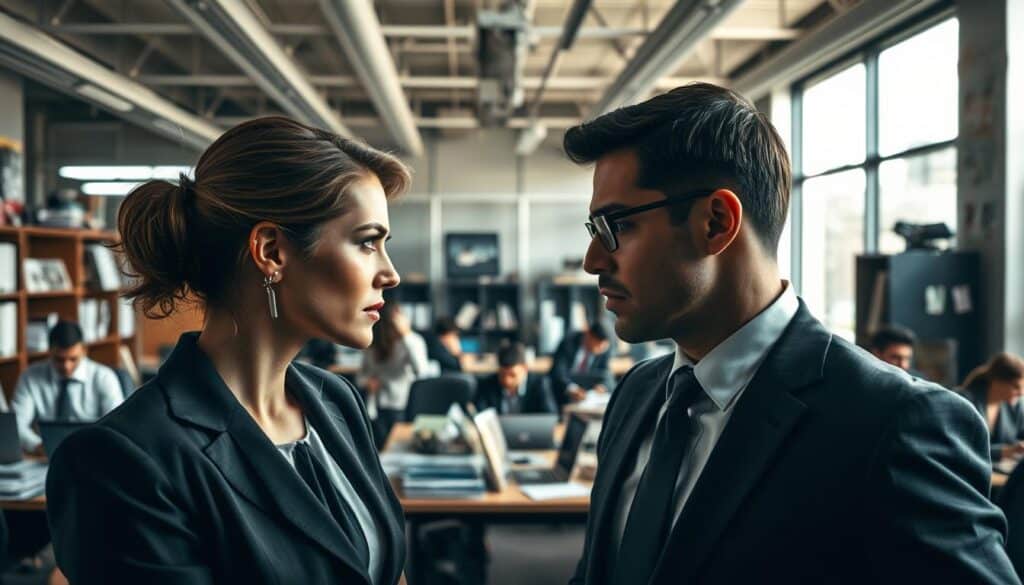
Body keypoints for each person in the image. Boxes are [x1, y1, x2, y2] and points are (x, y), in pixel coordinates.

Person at [564, 83, 1016, 584]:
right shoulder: (637, 395)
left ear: (716, 222)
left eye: (615, 227)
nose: (593, 261)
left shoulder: (894, 423)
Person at [46, 116, 411, 584]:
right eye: (366, 243)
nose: (390, 273)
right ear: (272, 251)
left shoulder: (336, 400)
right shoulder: (121, 463)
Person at [11, 320, 124, 454]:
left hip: (94, 454)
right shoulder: (30, 376)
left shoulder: (104, 377)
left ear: (84, 350)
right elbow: (16, 425)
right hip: (46, 456)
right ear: (49, 351)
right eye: (59, 359)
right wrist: (37, 445)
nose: (66, 366)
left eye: (73, 359)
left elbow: (116, 427)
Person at [358, 302, 429, 445]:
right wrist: (366, 382)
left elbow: (421, 371)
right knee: (378, 445)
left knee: (398, 444)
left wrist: (406, 335)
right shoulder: (373, 344)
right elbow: (361, 375)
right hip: (376, 403)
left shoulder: (413, 341)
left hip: (402, 403)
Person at [960, 352, 1024, 463]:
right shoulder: (963, 401)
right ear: (997, 381)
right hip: (969, 471)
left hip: (1002, 472)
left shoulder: (1015, 406)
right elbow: (962, 446)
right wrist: (1003, 451)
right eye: (1016, 387)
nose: (1021, 393)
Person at [474, 341, 557, 415]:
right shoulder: (487, 385)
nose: (507, 380)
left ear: (525, 368)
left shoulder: (540, 384)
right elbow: (481, 414)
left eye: (512, 375)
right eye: (502, 375)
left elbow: (550, 415)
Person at [548, 321, 613, 405]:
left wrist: (602, 386)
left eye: (603, 347)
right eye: (598, 345)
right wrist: (571, 389)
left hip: (589, 396)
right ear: (589, 334)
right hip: (564, 392)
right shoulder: (569, 341)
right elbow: (558, 372)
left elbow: (606, 374)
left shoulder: (604, 350)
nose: (600, 349)